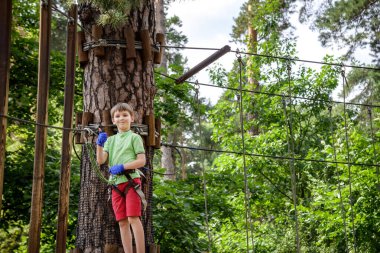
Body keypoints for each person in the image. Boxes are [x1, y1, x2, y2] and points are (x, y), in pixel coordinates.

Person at [96, 102, 146, 253]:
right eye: (117, 116)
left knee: (133, 218)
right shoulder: (110, 141)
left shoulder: (134, 137)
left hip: (131, 181)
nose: (121, 118)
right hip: (116, 184)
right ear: (113, 120)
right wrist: (99, 145)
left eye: (125, 115)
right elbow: (100, 160)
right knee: (122, 222)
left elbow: (141, 161)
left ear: (132, 118)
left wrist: (123, 166)